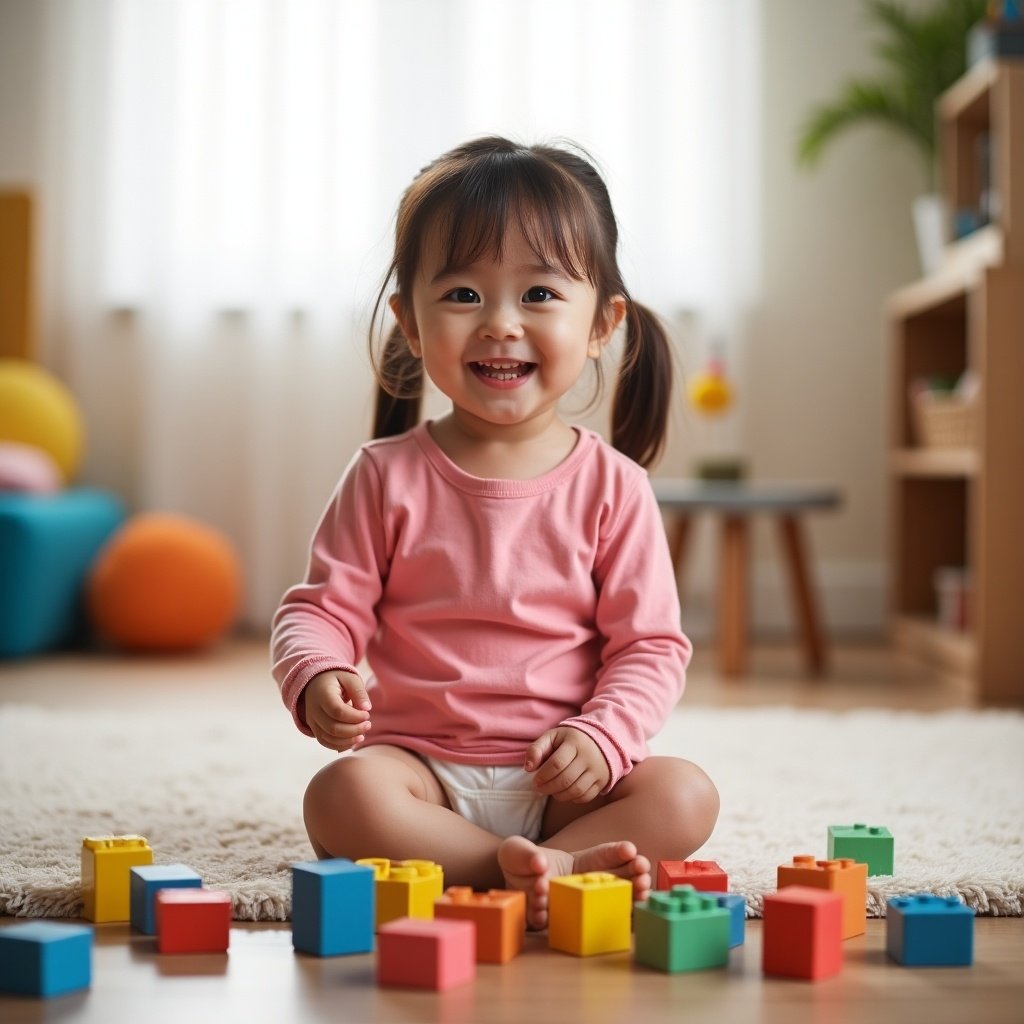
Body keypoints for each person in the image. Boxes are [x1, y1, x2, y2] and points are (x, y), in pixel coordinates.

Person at [271, 136, 719, 929]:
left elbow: (649, 648)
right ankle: (531, 876)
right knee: (342, 795)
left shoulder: (615, 486)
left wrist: (605, 738)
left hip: (566, 785)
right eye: (464, 295)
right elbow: (319, 609)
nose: (502, 324)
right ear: (410, 323)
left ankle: (541, 860)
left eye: (540, 294)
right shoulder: (383, 474)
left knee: (685, 794)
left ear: (601, 324)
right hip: (423, 776)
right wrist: (317, 674)